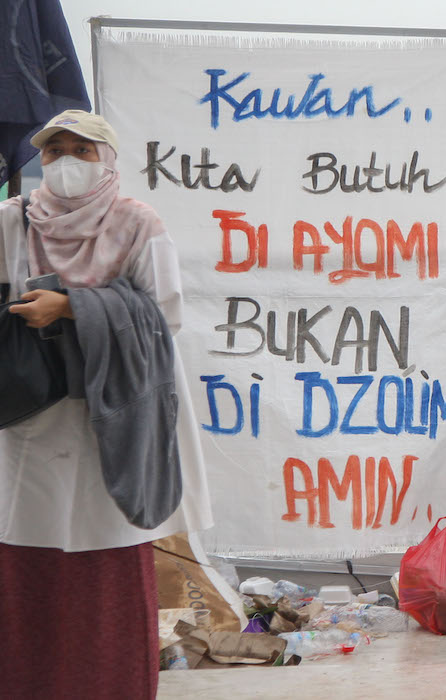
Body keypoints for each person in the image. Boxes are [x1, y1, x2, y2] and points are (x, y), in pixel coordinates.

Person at [0, 110, 212, 699]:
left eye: (82, 150)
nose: (66, 162)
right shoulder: (14, 221)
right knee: (25, 545)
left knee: (107, 550)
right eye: (54, 150)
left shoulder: (138, 223)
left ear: (108, 158)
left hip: (112, 411)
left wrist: (70, 307)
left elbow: (163, 317)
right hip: (31, 415)